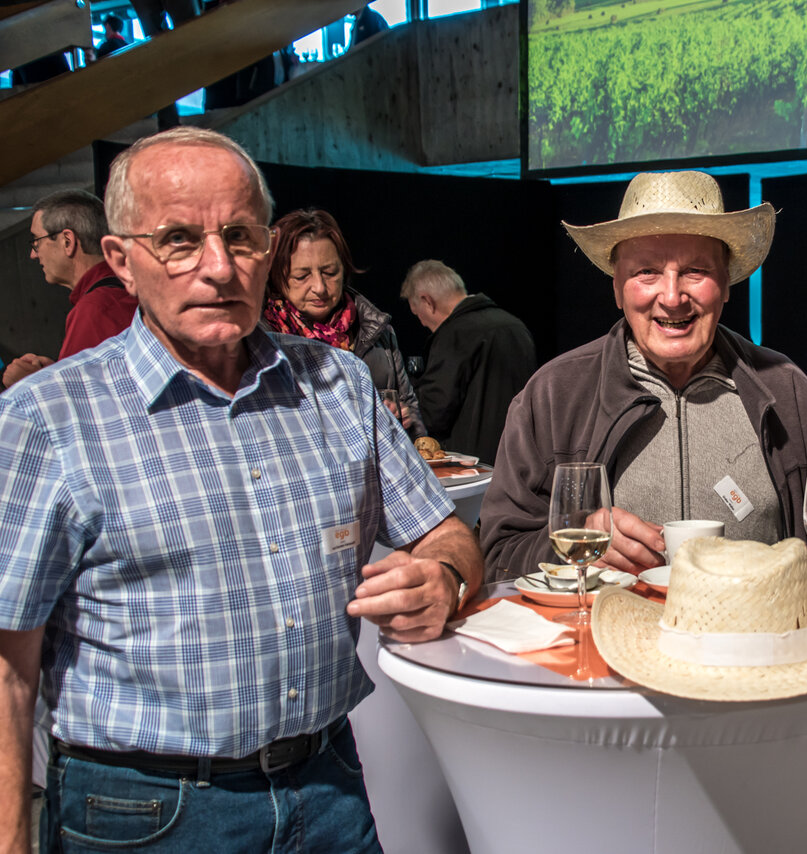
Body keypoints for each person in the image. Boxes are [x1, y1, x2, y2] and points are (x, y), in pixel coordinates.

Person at [0, 127, 482, 852]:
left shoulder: (337, 384)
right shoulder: (48, 418)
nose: (219, 267)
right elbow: (7, 668)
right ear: (121, 261)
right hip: (147, 813)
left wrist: (445, 577)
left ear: (267, 249)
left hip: (330, 787)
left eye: (239, 237)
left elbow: (446, 535)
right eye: (178, 240)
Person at [480, 170, 807, 576]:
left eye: (695, 271)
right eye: (646, 272)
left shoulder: (789, 393)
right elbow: (498, 556)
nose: (672, 297)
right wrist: (575, 540)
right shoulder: (552, 396)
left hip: (757, 619)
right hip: (600, 620)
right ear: (617, 287)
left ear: (726, 283)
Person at [264, 208, 428, 440]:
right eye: (302, 276)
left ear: (344, 269)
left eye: (329, 272)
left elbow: (413, 419)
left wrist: (402, 420)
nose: (319, 287)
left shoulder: (377, 331)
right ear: (276, 276)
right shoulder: (260, 338)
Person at [401, 259, 537, 462]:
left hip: (474, 466)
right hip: (520, 457)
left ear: (427, 301)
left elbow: (434, 412)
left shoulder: (454, 334)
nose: (422, 323)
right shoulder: (516, 326)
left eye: (418, 314)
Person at [2, 189, 138, 390]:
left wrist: (29, 384)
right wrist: (56, 372)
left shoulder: (96, 309)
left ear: (67, 241)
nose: (33, 254)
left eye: (37, 241)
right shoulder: (129, 290)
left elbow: (89, 400)